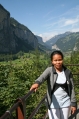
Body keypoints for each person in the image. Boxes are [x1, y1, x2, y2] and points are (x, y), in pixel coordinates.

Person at [30, 50, 76, 119]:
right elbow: (42, 77)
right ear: (52, 61)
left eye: (60, 60)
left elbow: (72, 88)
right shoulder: (49, 70)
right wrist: (37, 83)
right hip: (53, 104)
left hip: (66, 103)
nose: (58, 62)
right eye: (55, 60)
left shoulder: (68, 72)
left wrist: (73, 103)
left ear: (62, 60)